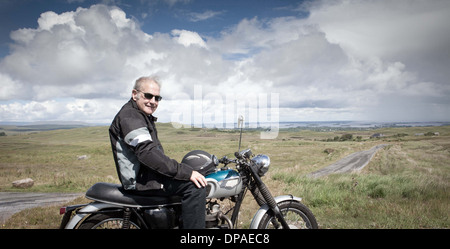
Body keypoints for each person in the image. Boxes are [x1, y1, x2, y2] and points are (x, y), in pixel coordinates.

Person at [109, 76, 207, 229]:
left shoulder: (140, 115)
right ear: (135, 94)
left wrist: (180, 170)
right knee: (195, 187)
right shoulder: (130, 117)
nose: (153, 101)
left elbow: (153, 153)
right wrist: (186, 172)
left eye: (157, 98)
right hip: (141, 181)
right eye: (148, 96)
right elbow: (148, 154)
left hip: (146, 175)